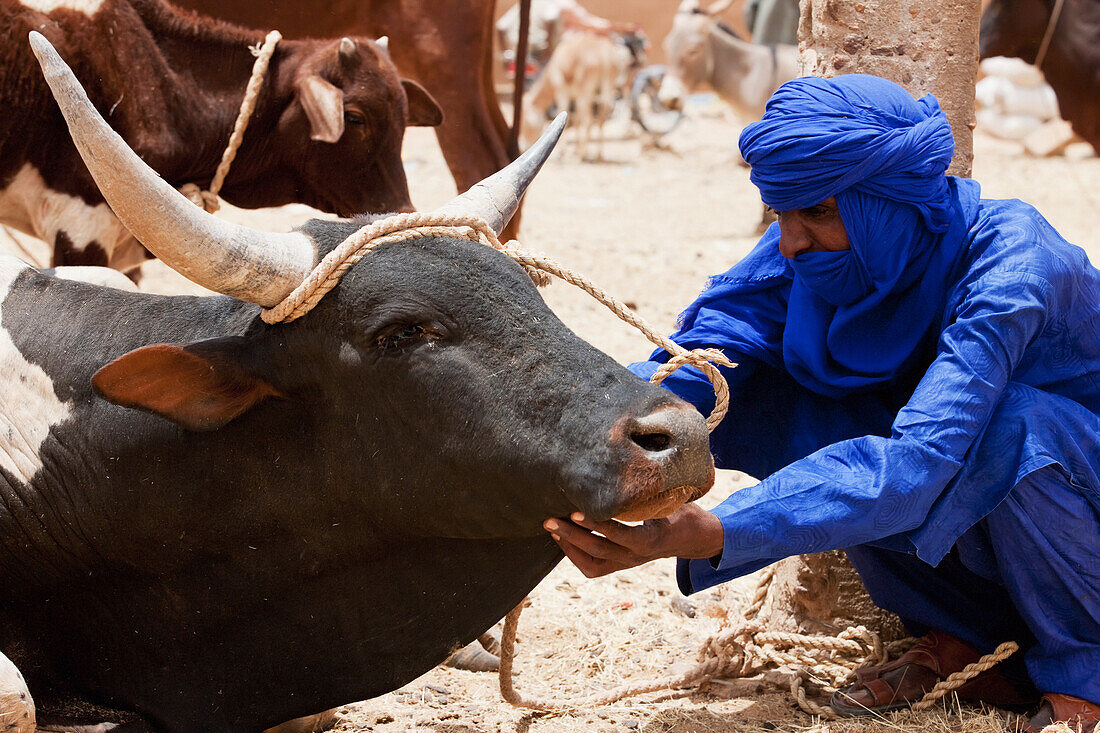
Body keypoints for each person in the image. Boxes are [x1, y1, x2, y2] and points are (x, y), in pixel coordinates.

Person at [542, 74, 1100, 731]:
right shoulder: (807, 263)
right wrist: (587, 434)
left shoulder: (1011, 267)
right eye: (781, 213)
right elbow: (697, 364)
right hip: (987, 532)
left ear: (887, 202)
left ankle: (1084, 670)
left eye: (818, 213)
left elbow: (914, 467)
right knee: (808, 404)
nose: (789, 242)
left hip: (1076, 510)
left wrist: (720, 530)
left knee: (1013, 430)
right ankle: (972, 639)